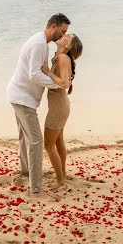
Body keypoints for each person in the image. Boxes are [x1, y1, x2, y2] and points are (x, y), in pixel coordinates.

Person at [7, 13, 71, 201]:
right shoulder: (38, 44)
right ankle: (36, 190)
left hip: (20, 96)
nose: (63, 35)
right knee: (35, 141)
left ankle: (27, 172)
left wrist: (55, 79)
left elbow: (40, 72)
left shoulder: (42, 43)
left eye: (65, 33)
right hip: (22, 98)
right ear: (53, 26)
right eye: (62, 31)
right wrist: (57, 84)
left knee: (26, 138)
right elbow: (34, 74)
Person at [42, 33, 83, 189]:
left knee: (48, 145)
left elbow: (65, 83)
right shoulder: (60, 57)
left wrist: (47, 71)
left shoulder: (63, 58)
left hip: (59, 108)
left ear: (68, 46)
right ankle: (62, 175)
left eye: (68, 36)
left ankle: (60, 180)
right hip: (61, 105)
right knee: (58, 142)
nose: (64, 34)